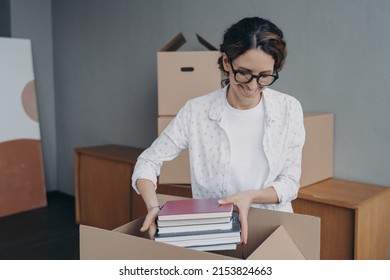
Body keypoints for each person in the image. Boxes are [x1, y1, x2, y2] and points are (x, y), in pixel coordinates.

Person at [131, 17, 305, 245]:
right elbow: (148, 161)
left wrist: (250, 196)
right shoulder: (197, 111)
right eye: (244, 73)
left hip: (272, 226)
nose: (252, 86)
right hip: (213, 229)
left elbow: (290, 182)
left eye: (264, 76)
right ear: (226, 62)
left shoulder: (289, 108)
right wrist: (154, 207)